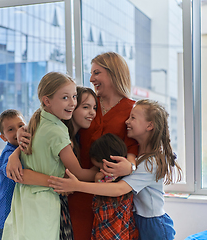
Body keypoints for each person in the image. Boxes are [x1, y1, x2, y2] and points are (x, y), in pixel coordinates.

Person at [49, 99, 183, 240]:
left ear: (149, 125)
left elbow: (120, 189)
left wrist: (76, 185)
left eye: (133, 118)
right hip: (139, 219)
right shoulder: (138, 156)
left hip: (153, 224)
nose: (127, 121)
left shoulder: (151, 162)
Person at [2, 72, 98, 240]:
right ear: (47, 101)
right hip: (43, 203)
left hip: (24, 200)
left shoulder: (38, 118)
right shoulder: (57, 130)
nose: (72, 103)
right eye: (65, 98)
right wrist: (101, 171)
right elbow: (79, 174)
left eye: (74, 97)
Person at [68, 51, 139, 240]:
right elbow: (55, 127)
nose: (91, 78)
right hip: (77, 190)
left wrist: (129, 166)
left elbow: (135, 147)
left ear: (113, 72)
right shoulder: (86, 103)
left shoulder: (133, 109)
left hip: (111, 197)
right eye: (91, 73)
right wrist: (16, 151)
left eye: (96, 72)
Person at [88, 133, 139, 240]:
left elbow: (101, 214)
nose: (99, 172)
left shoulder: (111, 187)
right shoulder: (127, 181)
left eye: (99, 168)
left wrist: (97, 183)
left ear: (108, 164)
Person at [0, 109, 26, 240]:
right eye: (11, 129)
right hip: (2, 225)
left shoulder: (22, 149)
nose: (17, 131)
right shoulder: (8, 154)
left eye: (21, 126)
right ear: (4, 137)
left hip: (14, 223)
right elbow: (12, 171)